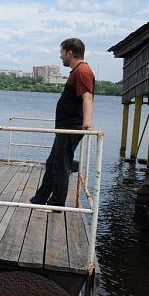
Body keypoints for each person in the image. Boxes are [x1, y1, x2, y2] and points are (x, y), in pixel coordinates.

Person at [30, 38, 95, 212]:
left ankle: (56, 205)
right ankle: (40, 198)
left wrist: (87, 123)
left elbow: (87, 96)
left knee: (61, 165)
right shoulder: (77, 71)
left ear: (70, 53)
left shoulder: (82, 71)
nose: (60, 56)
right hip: (65, 128)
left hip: (71, 127)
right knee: (52, 163)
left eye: (61, 52)